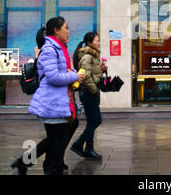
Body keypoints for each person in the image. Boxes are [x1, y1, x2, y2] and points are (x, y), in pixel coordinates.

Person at [10, 23, 83, 175]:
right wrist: (75, 76)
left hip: (57, 101)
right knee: (60, 138)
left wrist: (72, 73)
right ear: (56, 31)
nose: (68, 31)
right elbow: (53, 76)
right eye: (65, 28)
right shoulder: (50, 50)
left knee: (53, 139)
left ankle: (26, 163)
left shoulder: (58, 49)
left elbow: (60, 72)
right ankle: (51, 168)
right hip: (53, 102)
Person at [70, 32, 106, 160]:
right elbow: (85, 77)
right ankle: (86, 148)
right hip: (88, 92)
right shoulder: (87, 56)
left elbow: (92, 73)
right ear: (89, 43)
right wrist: (94, 89)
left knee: (95, 120)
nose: (99, 42)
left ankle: (80, 144)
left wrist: (101, 70)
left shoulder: (93, 56)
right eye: (97, 40)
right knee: (94, 121)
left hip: (90, 92)